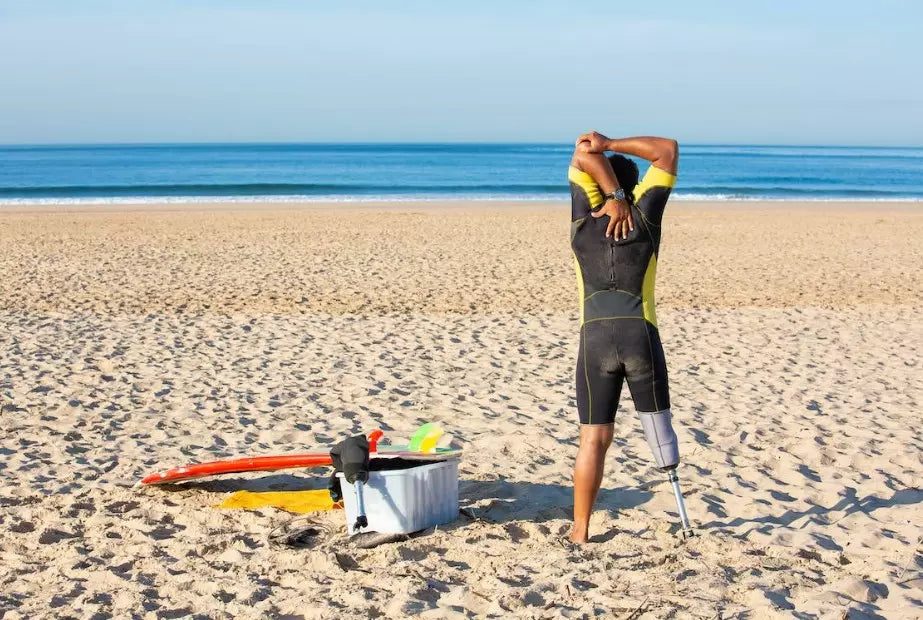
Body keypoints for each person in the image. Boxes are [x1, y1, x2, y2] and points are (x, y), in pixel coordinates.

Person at [567, 131, 685, 543]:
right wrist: (613, 143)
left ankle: (580, 531)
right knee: (659, 427)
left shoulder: (583, 219)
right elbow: (667, 149)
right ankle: (682, 515)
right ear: (638, 186)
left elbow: (582, 154)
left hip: (594, 343)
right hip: (640, 338)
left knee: (593, 439)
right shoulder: (646, 216)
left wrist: (609, 190)